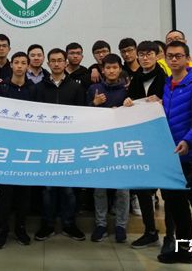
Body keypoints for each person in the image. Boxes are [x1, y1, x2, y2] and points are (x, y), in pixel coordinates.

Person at [159, 40, 192, 268]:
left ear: (188, 59)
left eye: (178, 56)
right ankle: (184, 251)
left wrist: (188, 140)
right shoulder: (168, 83)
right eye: (170, 56)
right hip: (172, 158)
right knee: (177, 208)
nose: (174, 59)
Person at [34, 48, 86, 242]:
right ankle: (47, 225)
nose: (56, 64)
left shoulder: (76, 87)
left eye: (60, 60)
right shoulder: (39, 88)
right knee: (48, 188)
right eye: (53, 61)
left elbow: (82, 116)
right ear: (48, 64)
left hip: (69, 146)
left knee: (68, 189)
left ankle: (69, 224)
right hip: (46, 146)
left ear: (65, 63)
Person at [123, 41, 166, 249]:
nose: (145, 58)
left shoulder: (166, 78)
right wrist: (127, 103)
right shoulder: (136, 78)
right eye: (141, 54)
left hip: (163, 140)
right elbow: (130, 103)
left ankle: (172, 236)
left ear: (157, 56)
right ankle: (150, 231)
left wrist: (163, 102)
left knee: (168, 191)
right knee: (142, 187)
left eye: (149, 54)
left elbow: (174, 104)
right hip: (141, 140)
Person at [0, 52, 37, 248]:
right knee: (5, 193)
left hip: (27, 148)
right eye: (16, 62)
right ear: (11, 65)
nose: (19, 66)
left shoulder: (34, 89)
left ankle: (20, 229)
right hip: (6, 148)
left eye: (23, 63)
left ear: (28, 66)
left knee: (24, 193)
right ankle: (2, 230)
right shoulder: (1, 88)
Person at [87, 53, 129, 244]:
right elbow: (83, 115)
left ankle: (121, 226)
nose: (111, 71)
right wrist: (94, 104)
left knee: (122, 188)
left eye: (115, 67)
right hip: (99, 144)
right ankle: (101, 224)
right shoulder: (93, 89)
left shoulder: (127, 89)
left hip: (122, 145)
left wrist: (130, 107)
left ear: (120, 69)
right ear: (102, 70)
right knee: (100, 187)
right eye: (108, 68)